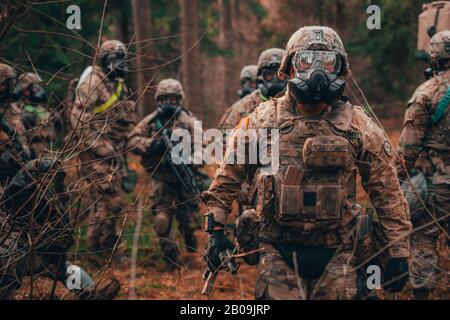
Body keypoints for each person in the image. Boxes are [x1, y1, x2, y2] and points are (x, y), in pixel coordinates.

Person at [203, 26, 412, 300]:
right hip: (278, 250)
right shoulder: (262, 120)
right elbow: (228, 177)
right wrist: (216, 232)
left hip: (341, 253)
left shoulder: (357, 125)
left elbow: (387, 191)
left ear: (341, 69)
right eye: (305, 61)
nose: (317, 71)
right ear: (290, 68)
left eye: (327, 62)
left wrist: (398, 252)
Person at [128, 79, 210, 269]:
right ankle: (171, 260)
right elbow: (132, 141)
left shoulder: (190, 121)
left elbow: (203, 147)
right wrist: (151, 145)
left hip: (185, 177)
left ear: (180, 100)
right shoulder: (150, 121)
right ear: (158, 99)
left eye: (174, 100)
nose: (170, 104)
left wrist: (190, 159)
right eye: (165, 99)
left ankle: (190, 246)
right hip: (161, 179)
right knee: (162, 220)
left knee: (189, 223)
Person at [70, 39, 136, 258]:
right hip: (96, 154)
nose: (121, 64)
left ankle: (100, 249)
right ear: (105, 59)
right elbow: (78, 117)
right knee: (110, 200)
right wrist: (98, 146)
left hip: (115, 154)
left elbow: (125, 118)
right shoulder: (93, 82)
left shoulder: (117, 85)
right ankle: (102, 250)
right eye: (116, 59)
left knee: (108, 202)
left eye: (122, 59)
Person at [398, 30, 450, 300]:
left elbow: (408, 148)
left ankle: (423, 294)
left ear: (434, 57)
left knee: (424, 239)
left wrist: (396, 179)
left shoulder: (426, 93)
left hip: (435, 185)